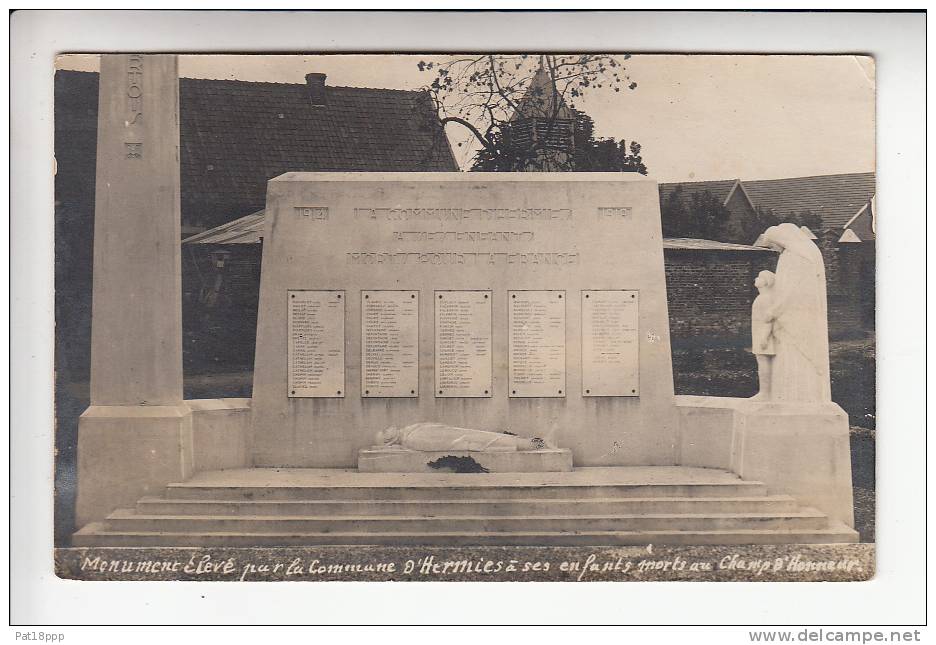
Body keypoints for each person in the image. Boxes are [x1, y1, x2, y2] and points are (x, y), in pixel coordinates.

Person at [756, 223, 832, 403]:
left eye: (773, 245)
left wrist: (774, 311)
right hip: (803, 315)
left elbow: (789, 291)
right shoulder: (807, 252)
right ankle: (800, 396)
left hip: (794, 317)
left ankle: (796, 397)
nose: (774, 250)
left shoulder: (794, 257)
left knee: (795, 355)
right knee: (797, 356)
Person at [376, 423, 549, 452]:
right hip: (464, 439)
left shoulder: (410, 430)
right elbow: (443, 443)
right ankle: (537, 445)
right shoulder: (411, 439)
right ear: (390, 440)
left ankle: (539, 443)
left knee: (494, 436)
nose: (387, 429)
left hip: (462, 433)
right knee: (496, 440)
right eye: (385, 433)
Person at [750, 270, 777, 401]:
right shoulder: (763, 298)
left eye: (760, 277)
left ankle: (765, 392)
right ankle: (765, 392)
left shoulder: (765, 298)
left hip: (763, 334)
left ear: (766, 282)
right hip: (759, 332)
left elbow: (768, 320)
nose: (756, 278)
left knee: (763, 361)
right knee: (761, 361)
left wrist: (764, 337)